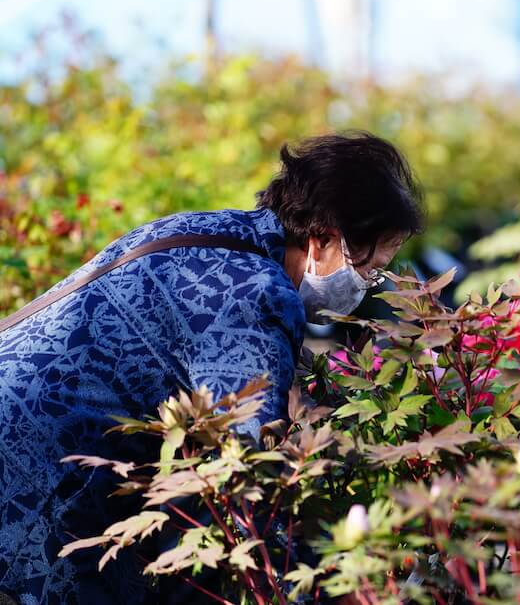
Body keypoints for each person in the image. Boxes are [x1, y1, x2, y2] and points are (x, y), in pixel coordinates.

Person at [0, 131, 423, 604]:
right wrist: (336, 588)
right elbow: (248, 472)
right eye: (369, 270)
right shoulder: (256, 296)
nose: (366, 286)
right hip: (29, 487)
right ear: (323, 237)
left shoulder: (207, 231)